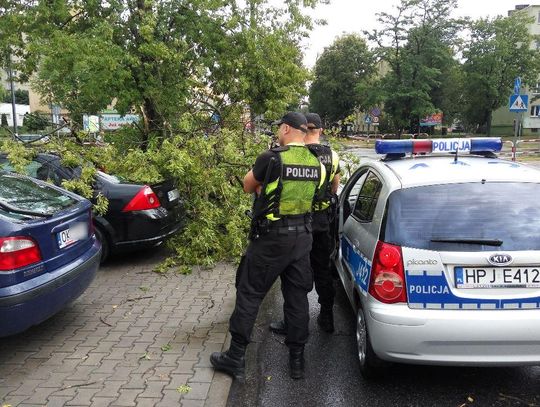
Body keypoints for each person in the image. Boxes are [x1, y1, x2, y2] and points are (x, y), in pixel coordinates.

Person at [210, 112, 325, 380]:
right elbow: (315, 194)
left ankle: (235, 357)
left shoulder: (271, 157)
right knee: (297, 298)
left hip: (272, 239)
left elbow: (248, 186)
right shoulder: (317, 162)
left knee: (250, 293)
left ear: (286, 129)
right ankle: (297, 361)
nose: (276, 133)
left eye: (278, 129)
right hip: (302, 239)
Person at [269, 112, 340, 335]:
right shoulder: (333, 156)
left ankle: (293, 323)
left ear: (301, 129)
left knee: (294, 273)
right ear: (320, 130)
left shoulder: (296, 155)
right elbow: (334, 188)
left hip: (299, 222)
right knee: (323, 270)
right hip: (322, 223)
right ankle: (326, 317)